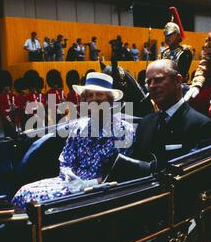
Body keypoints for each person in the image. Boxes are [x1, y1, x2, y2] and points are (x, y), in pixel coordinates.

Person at [12, 72, 134, 210]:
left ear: (110, 100)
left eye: (99, 94)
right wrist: (69, 176)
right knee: (24, 192)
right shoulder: (78, 127)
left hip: (101, 190)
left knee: (39, 202)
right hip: (70, 185)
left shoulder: (124, 130)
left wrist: (89, 184)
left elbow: (121, 170)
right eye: (89, 95)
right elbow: (65, 160)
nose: (94, 99)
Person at [133, 60, 211, 170]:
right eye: (148, 82)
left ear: (178, 81)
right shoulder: (145, 123)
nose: (152, 86)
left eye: (158, 80)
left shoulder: (202, 125)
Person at [160, 8, 193, 82]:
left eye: (171, 35)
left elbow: (181, 73)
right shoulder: (164, 52)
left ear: (178, 36)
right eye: (166, 35)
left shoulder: (185, 53)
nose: (167, 38)